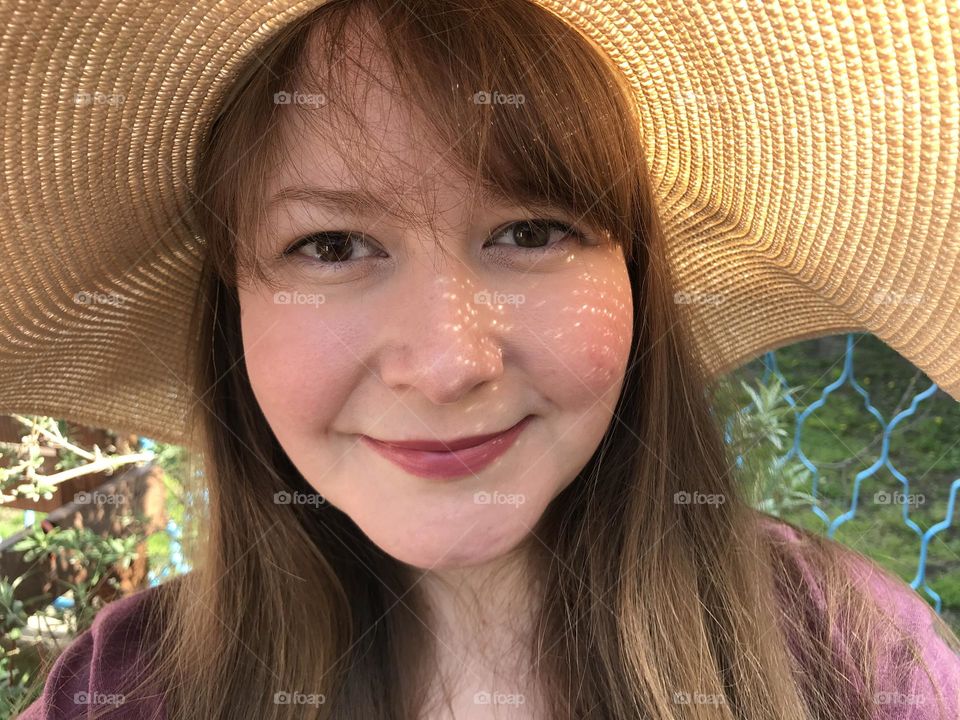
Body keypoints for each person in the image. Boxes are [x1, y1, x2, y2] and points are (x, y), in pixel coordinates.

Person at [4, 0, 960, 718]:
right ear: (233, 310)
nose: (449, 364)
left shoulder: (851, 661)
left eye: (533, 230)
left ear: (635, 276)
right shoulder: (124, 691)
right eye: (331, 244)